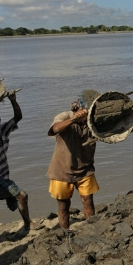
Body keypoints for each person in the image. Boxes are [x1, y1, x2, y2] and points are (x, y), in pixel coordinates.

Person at [47, 95, 100, 229]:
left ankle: (91, 229)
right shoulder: (65, 116)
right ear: (79, 108)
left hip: (85, 169)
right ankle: (65, 232)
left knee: (88, 201)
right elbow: (55, 129)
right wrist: (74, 119)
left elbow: (113, 131)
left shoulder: (94, 121)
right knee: (64, 206)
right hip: (62, 170)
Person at [0, 92, 39, 230]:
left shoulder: (3, 130)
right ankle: (28, 223)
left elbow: (18, 117)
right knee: (21, 195)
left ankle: (27, 224)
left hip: (2, 176)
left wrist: (13, 100)